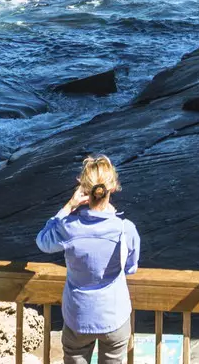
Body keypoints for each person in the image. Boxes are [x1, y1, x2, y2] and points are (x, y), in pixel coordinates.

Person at [34, 155, 141, 364]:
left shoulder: (69, 227)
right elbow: (130, 268)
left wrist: (69, 206)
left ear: (84, 189)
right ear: (113, 188)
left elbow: (43, 241)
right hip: (114, 315)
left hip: (79, 316)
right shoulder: (125, 229)